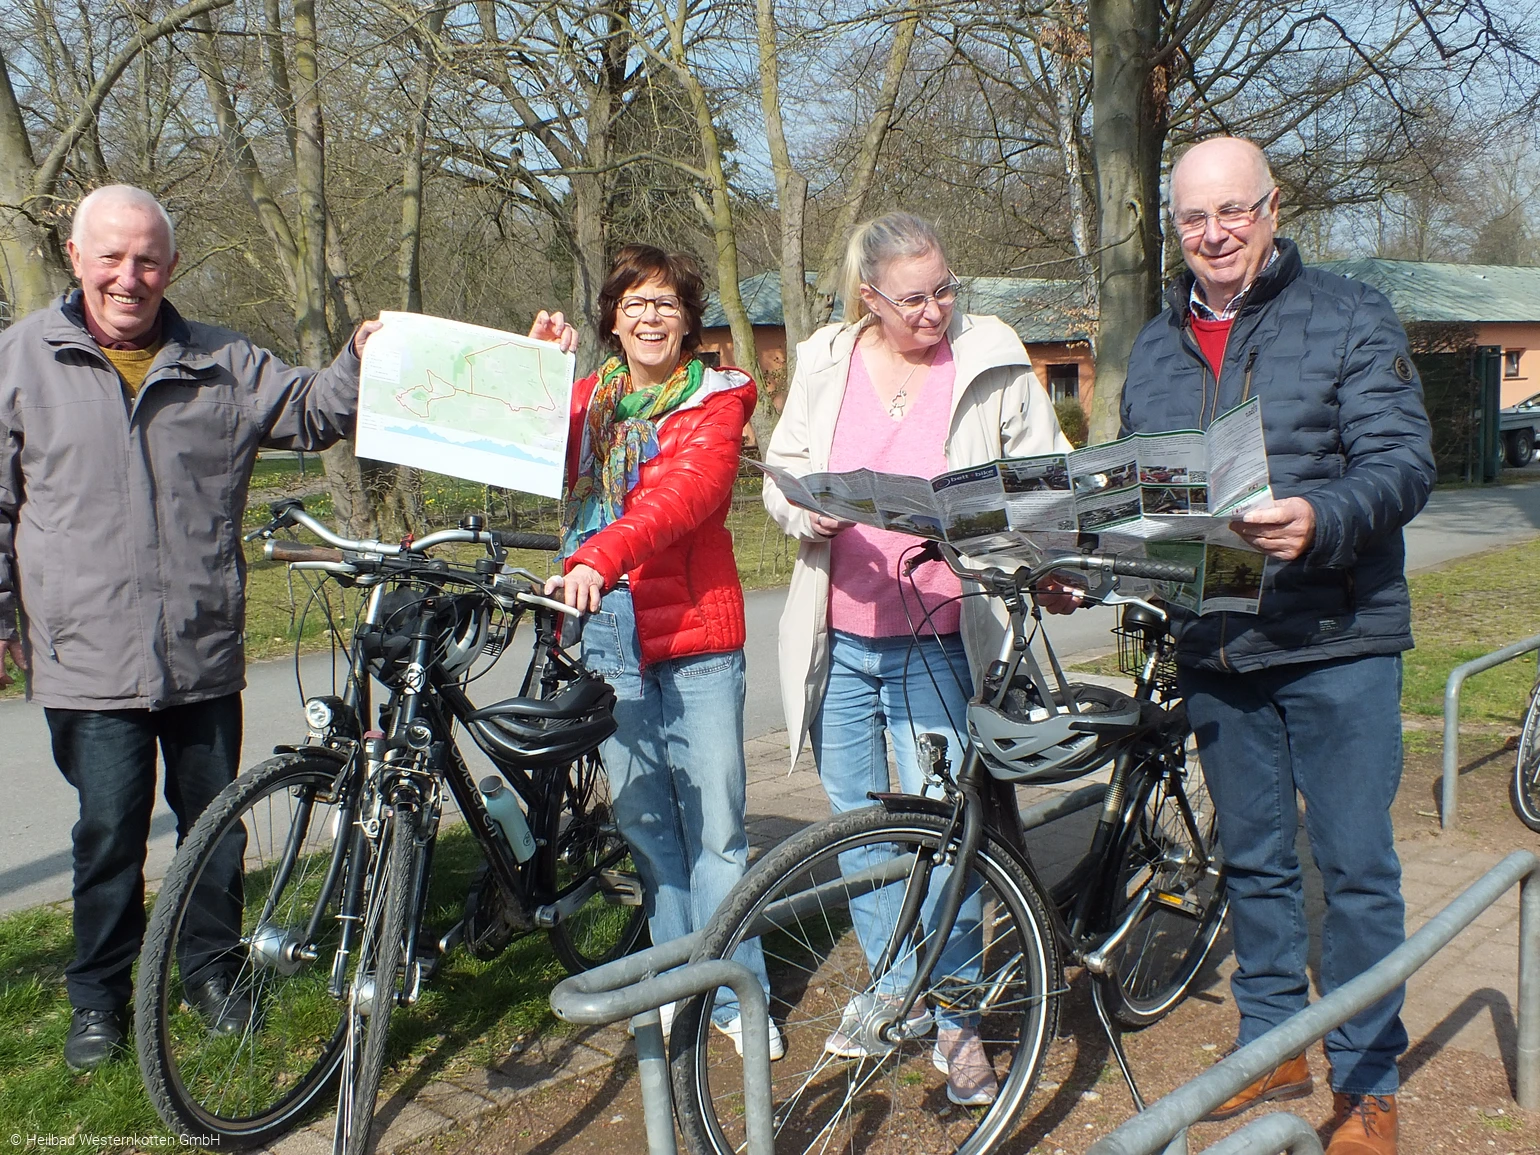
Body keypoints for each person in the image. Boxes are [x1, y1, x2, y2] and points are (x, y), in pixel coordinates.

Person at [0, 185, 388, 1070]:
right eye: (111, 257)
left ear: (170, 267)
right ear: (76, 257)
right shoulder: (20, 360)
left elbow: (314, 409)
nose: (128, 277)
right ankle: (100, 996)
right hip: (85, 656)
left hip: (201, 649)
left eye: (146, 259)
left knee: (214, 823)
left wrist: (362, 358)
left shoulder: (222, 360)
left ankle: (213, 971)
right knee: (108, 835)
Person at [1119, 138, 1435, 1155]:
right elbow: (1144, 494)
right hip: (1219, 644)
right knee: (1251, 860)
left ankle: (1365, 1076)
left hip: (1336, 632)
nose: (1213, 234)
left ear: (1271, 206)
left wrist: (1321, 516)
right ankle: (1270, 1047)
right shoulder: (1154, 346)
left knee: (1351, 865)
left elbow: (1402, 464)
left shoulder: (1349, 312)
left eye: (1233, 212)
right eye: (1193, 219)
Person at [761, 211, 1071, 1105]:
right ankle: (894, 983)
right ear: (869, 298)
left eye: (945, 290)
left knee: (948, 836)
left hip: (942, 637)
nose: (934, 311)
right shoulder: (825, 359)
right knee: (865, 835)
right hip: (842, 639)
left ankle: (959, 1018)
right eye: (912, 298)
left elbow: (1044, 480)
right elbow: (781, 468)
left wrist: (1018, 548)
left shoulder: (992, 353)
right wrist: (803, 511)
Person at [541, 243, 780, 1058]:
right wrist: (532, 373)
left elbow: (687, 496)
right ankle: (679, 979)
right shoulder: (587, 402)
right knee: (645, 820)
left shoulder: (716, 401)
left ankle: (735, 996)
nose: (650, 316)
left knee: (716, 823)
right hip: (607, 631)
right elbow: (522, 443)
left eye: (666, 303)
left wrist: (598, 556)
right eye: (634, 302)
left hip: (697, 637)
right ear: (611, 318)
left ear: (688, 321)